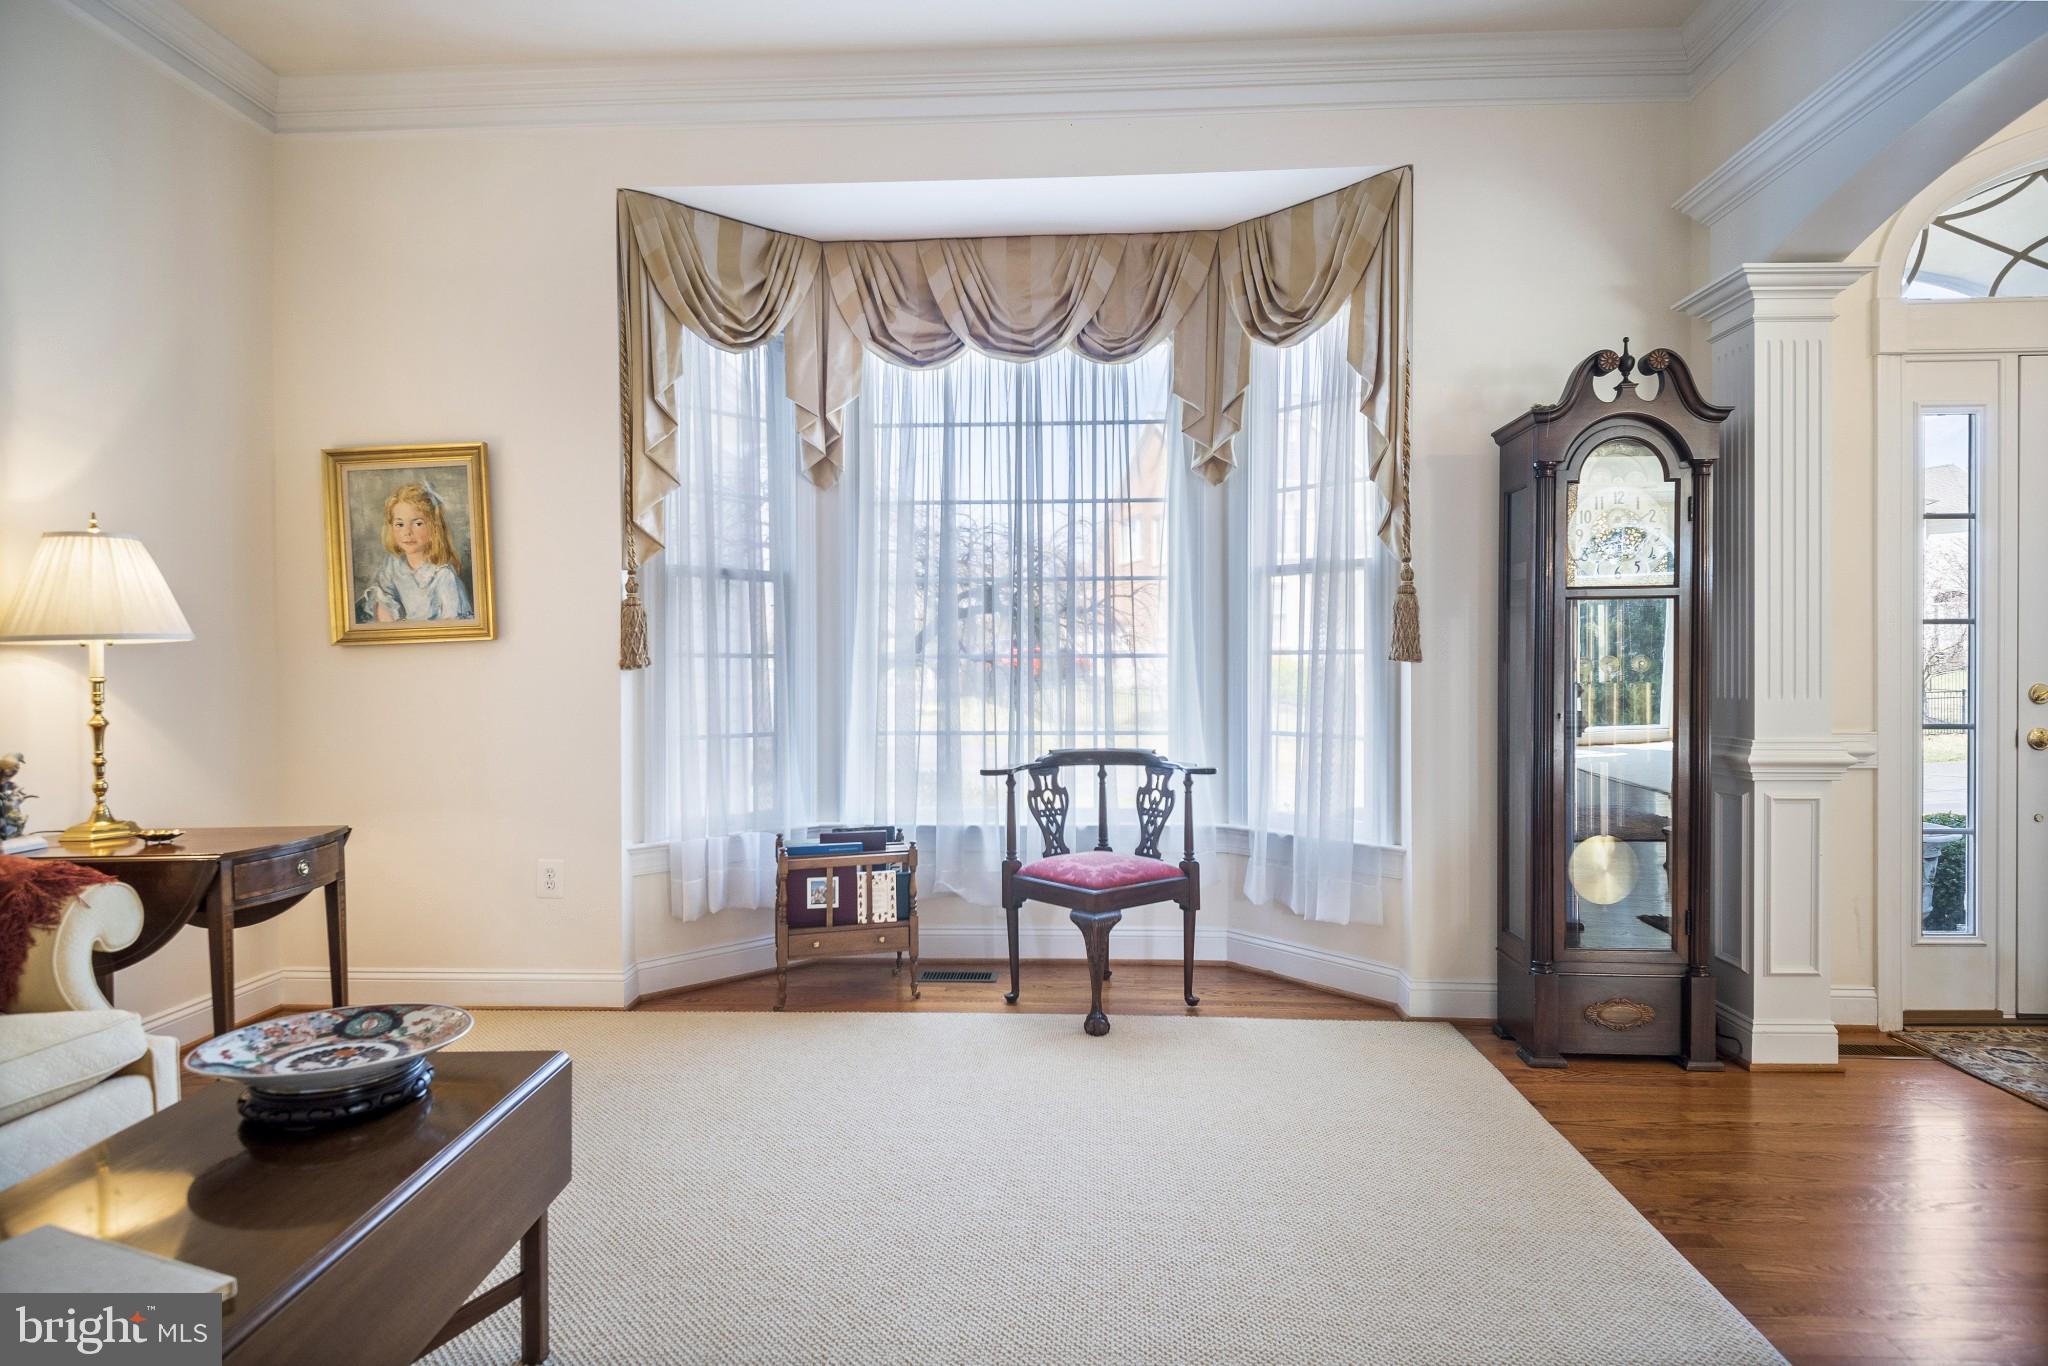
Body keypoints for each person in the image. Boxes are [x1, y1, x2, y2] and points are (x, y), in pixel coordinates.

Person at [356, 482, 473, 623]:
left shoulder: (443, 576)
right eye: (399, 524)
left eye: (417, 523)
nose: (407, 532)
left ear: (434, 528)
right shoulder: (394, 564)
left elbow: (451, 625)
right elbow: (383, 597)